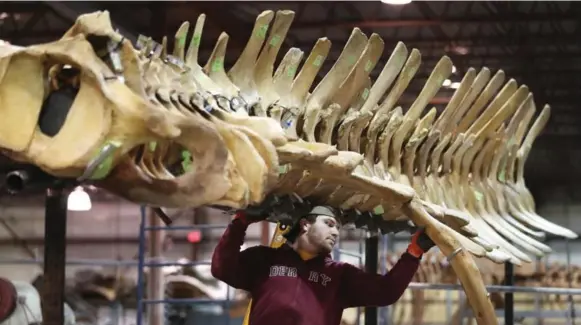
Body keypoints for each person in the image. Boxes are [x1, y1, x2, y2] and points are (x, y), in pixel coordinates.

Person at [211, 205, 435, 325]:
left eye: (337, 227)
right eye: (329, 224)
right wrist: (240, 223)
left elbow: (386, 292)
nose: (336, 232)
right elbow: (222, 268)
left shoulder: (340, 275)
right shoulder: (265, 259)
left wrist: (413, 253)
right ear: (305, 225)